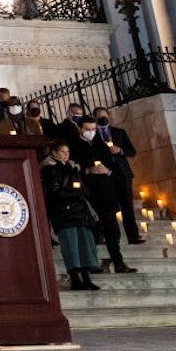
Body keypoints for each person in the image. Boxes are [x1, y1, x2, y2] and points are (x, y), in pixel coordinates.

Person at [68, 116, 136, 275]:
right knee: (91, 229)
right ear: (80, 129)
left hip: (107, 192)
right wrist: (88, 170)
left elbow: (114, 168)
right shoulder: (75, 146)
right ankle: (91, 263)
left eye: (93, 129)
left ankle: (118, 263)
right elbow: (72, 169)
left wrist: (107, 171)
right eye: (87, 130)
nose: (91, 132)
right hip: (88, 193)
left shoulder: (102, 145)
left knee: (112, 229)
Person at [40, 139, 101, 290]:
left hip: (80, 211)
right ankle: (75, 278)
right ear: (54, 153)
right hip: (64, 212)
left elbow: (84, 188)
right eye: (63, 152)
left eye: (68, 152)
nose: (66, 155)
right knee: (71, 245)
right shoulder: (50, 169)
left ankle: (86, 277)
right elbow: (55, 192)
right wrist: (75, 192)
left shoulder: (73, 168)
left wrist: (78, 191)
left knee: (84, 244)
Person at [93, 107, 144, 243]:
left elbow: (131, 151)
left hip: (123, 173)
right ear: (95, 118)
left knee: (127, 206)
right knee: (110, 208)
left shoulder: (119, 133)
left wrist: (120, 151)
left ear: (108, 117)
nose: (103, 119)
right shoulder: (94, 136)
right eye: (100, 117)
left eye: (105, 116)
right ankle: (113, 236)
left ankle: (133, 236)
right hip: (106, 175)